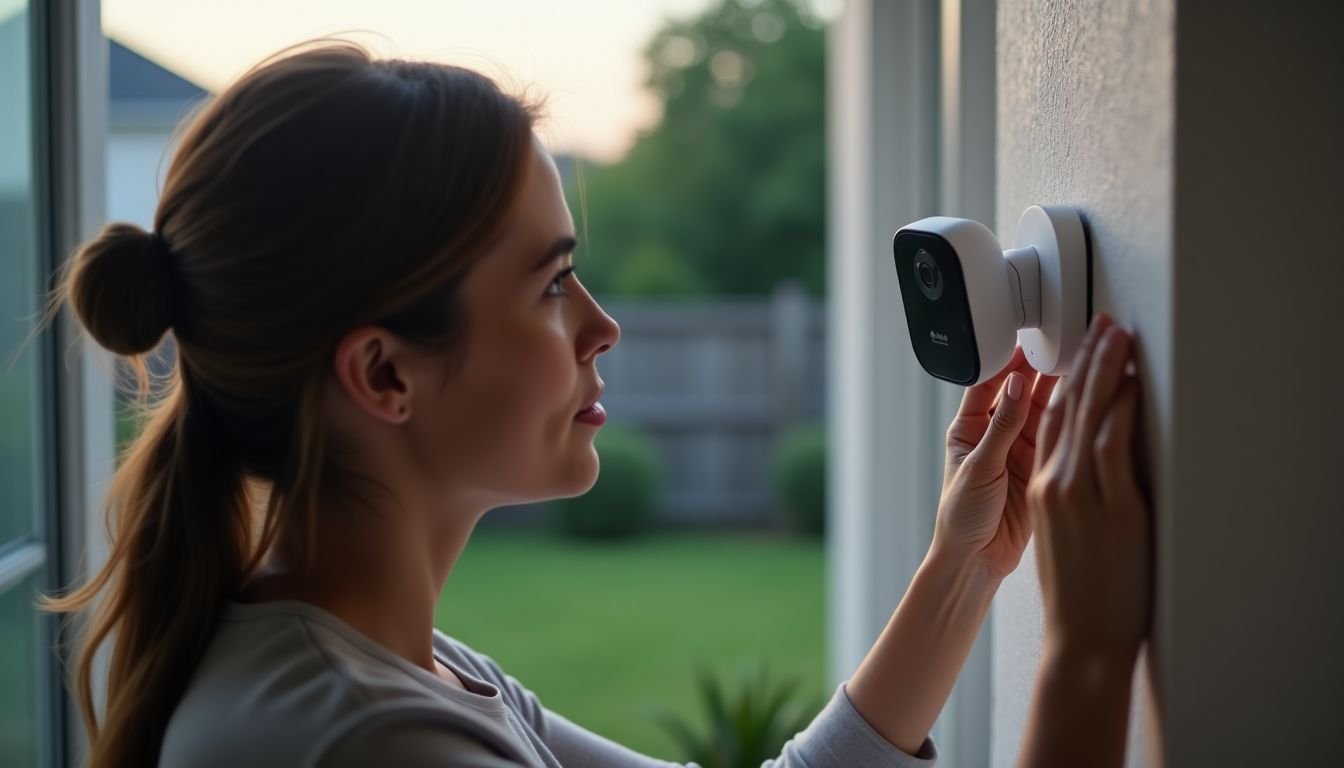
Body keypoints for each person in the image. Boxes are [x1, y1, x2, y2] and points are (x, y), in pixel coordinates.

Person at [44, 42, 1151, 767]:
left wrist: (966, 561)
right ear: (384, 375)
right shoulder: (368, 742)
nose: (602, 324)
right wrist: (1089, 654)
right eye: (551, 282)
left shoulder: (402, 677)